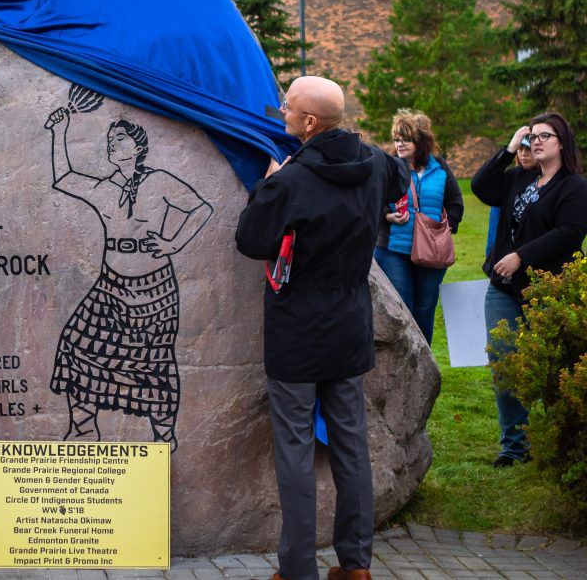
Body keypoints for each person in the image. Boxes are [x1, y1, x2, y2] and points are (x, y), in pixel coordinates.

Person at [235, 76, 408, 580]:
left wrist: (269, 182)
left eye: (287, 107)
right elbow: (399, 180)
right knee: (352, 445)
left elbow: (250, 239)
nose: (282, 113)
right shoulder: (375, 162)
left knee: (295, 449)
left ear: (309, 123)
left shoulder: (290, 181)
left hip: (297, 331)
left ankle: (297, 569)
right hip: (351, 325)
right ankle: (356, 565)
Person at [44, 101, 212, 452]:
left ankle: (164, 436)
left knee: (154, 362)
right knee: (77, 343)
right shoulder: (105, 188)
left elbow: (201, 208)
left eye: (119, 139)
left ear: (137, 147)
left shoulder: (159, 180)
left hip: (154, 289)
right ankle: (84, 428)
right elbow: (64, 178)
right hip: (110, 285)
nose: (112, 144)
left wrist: (174, 244)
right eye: (110, 140)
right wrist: (60, 133)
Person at [472, 112, 587, 468]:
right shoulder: (521, 178)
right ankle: (515, 446)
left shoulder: (574, 186)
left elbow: (570, 232)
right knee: (505, 364)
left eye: (544, 136)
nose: (535, 142)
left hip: (548, 289)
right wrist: (508, 150)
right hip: (503, 289)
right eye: (530, 137)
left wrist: (521, 256)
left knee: (554, 370)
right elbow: (480, 186)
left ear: (562, 142)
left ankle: (559, 442)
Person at [373, 110, 464, 346]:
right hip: (393, 249)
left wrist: (444, 227)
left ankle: (424, 370)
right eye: (396, 139)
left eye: (406, 139)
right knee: (403, 308)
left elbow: (455, 204)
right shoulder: (389, 166)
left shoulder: (440, 168)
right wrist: (387, 216)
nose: (399, 144)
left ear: (421, 141)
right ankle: (403, 370)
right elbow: (372, 199)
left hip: (431, 252)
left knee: (425, 309)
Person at [485, 136, 536, 257]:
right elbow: (495, 225)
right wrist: (491, 255)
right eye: (520, 149)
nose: (523, 154)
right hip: (505, 253)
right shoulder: (509, 179)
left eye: (528, 149)